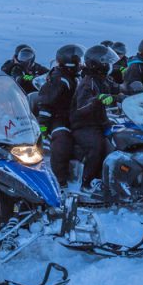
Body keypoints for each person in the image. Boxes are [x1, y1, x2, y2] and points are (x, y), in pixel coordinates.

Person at [70, 45, 120, 192]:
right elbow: (81, 107)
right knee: (97, 147)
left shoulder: (103, 79)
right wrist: (98, 99)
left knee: (119, 139)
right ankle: (86, 182)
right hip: (84, 125)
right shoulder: (87, 83)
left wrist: (136, 91)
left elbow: (117, 88)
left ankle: (114, 177)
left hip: (101, 121)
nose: (110, 66)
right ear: (97, 64)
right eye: (107, 63)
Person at [33, 44, 84, 187]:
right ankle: (59, 181)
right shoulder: (59, 79)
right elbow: (46, 104)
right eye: (79, 61)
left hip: (71, 116)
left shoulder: (73, 77)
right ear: (70, 62)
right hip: (57, 118)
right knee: (62, 142)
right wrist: (43, 127)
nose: (82, 64)